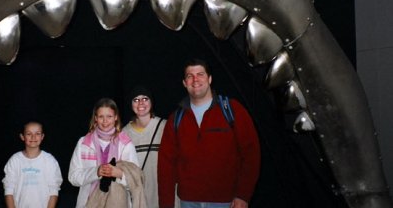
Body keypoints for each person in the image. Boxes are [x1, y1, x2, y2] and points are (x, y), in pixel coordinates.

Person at [158, 59, 261, 208]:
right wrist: (166, 205)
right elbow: (165, 166)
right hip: (188, 201)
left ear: (210, 79)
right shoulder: (176, 119)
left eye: (200, 74)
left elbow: (251, 154)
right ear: (184, 83)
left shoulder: (232, 110)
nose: (195, 80)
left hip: (226, 201)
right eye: (189, 76)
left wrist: (243, 195)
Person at [68, 97, 144, 208]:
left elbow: (137, 180)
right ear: (95, 118)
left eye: (109, 116)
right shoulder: (83, 143)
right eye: (101, 117)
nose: (105, 121)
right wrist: (96, 172)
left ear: (116, 117)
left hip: (119, 203)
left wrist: (118, 174)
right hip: (88, 204)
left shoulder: (126, 144)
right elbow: (73, 177)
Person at [2, 120, 63, 208]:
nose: (33, 137)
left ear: (42, 136)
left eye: (37, 133)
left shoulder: (50, 161)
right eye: (29, 134)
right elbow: (8, 189)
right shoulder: (15, 160)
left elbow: (54, 190)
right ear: (22, 136)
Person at [123, 85, 165, 208]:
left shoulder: (165, 127)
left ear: (151, 102)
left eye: (145, 98)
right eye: (136, 100)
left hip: (163, 194)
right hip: (138, 196)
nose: (141, 103)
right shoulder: (124, 133)